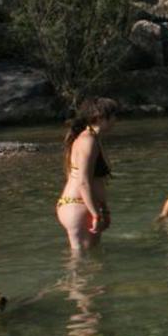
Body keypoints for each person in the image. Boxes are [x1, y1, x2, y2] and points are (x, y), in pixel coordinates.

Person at [56, 98, 118, 252]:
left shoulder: (92, 138)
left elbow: (95, 182)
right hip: (78, 205)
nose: (116, 120)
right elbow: (84, 182)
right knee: (83, 265)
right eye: (113, 115)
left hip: (83, 206)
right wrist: (96, 215)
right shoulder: (87, 141)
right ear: (100, 117)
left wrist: (104, 210)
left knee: (89, 262)